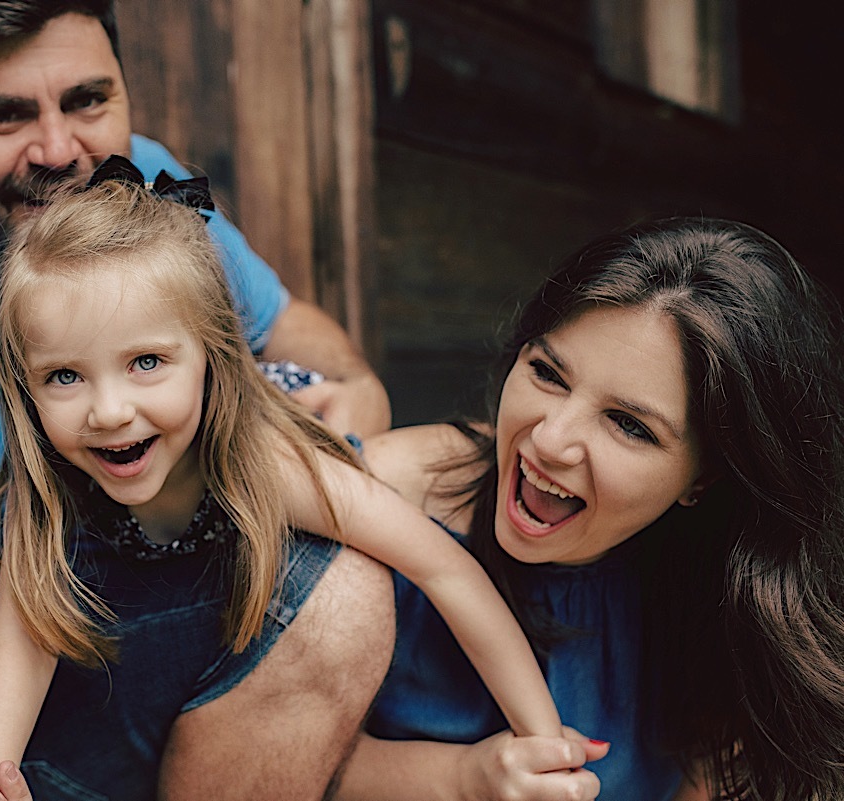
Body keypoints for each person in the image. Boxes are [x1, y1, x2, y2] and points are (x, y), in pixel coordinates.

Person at [0, 2, 392, 800]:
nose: (60, 151)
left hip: (129, 569)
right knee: (337, 602)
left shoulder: (136, 188)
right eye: (3, 115)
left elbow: (289, 325)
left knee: (419, 482)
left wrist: (357, 388)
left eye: (88, 101)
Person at [0, 162, 564, 801]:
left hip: (170, 700)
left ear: (212, 357)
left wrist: (544, 742)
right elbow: (18, 659)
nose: (108, 411)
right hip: (46, 717)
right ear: (26, 386)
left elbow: (443, 569)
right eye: (64, 377)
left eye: (146, 363)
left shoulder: (266, 466)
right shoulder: (50, 491)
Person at [335, 217, 844, 800]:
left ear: (704, 478)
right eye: (548, 374)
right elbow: (258, 760)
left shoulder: (729, 597)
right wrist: (459, 779)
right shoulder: (380, 494)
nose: (550, 440)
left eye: (628, 424)